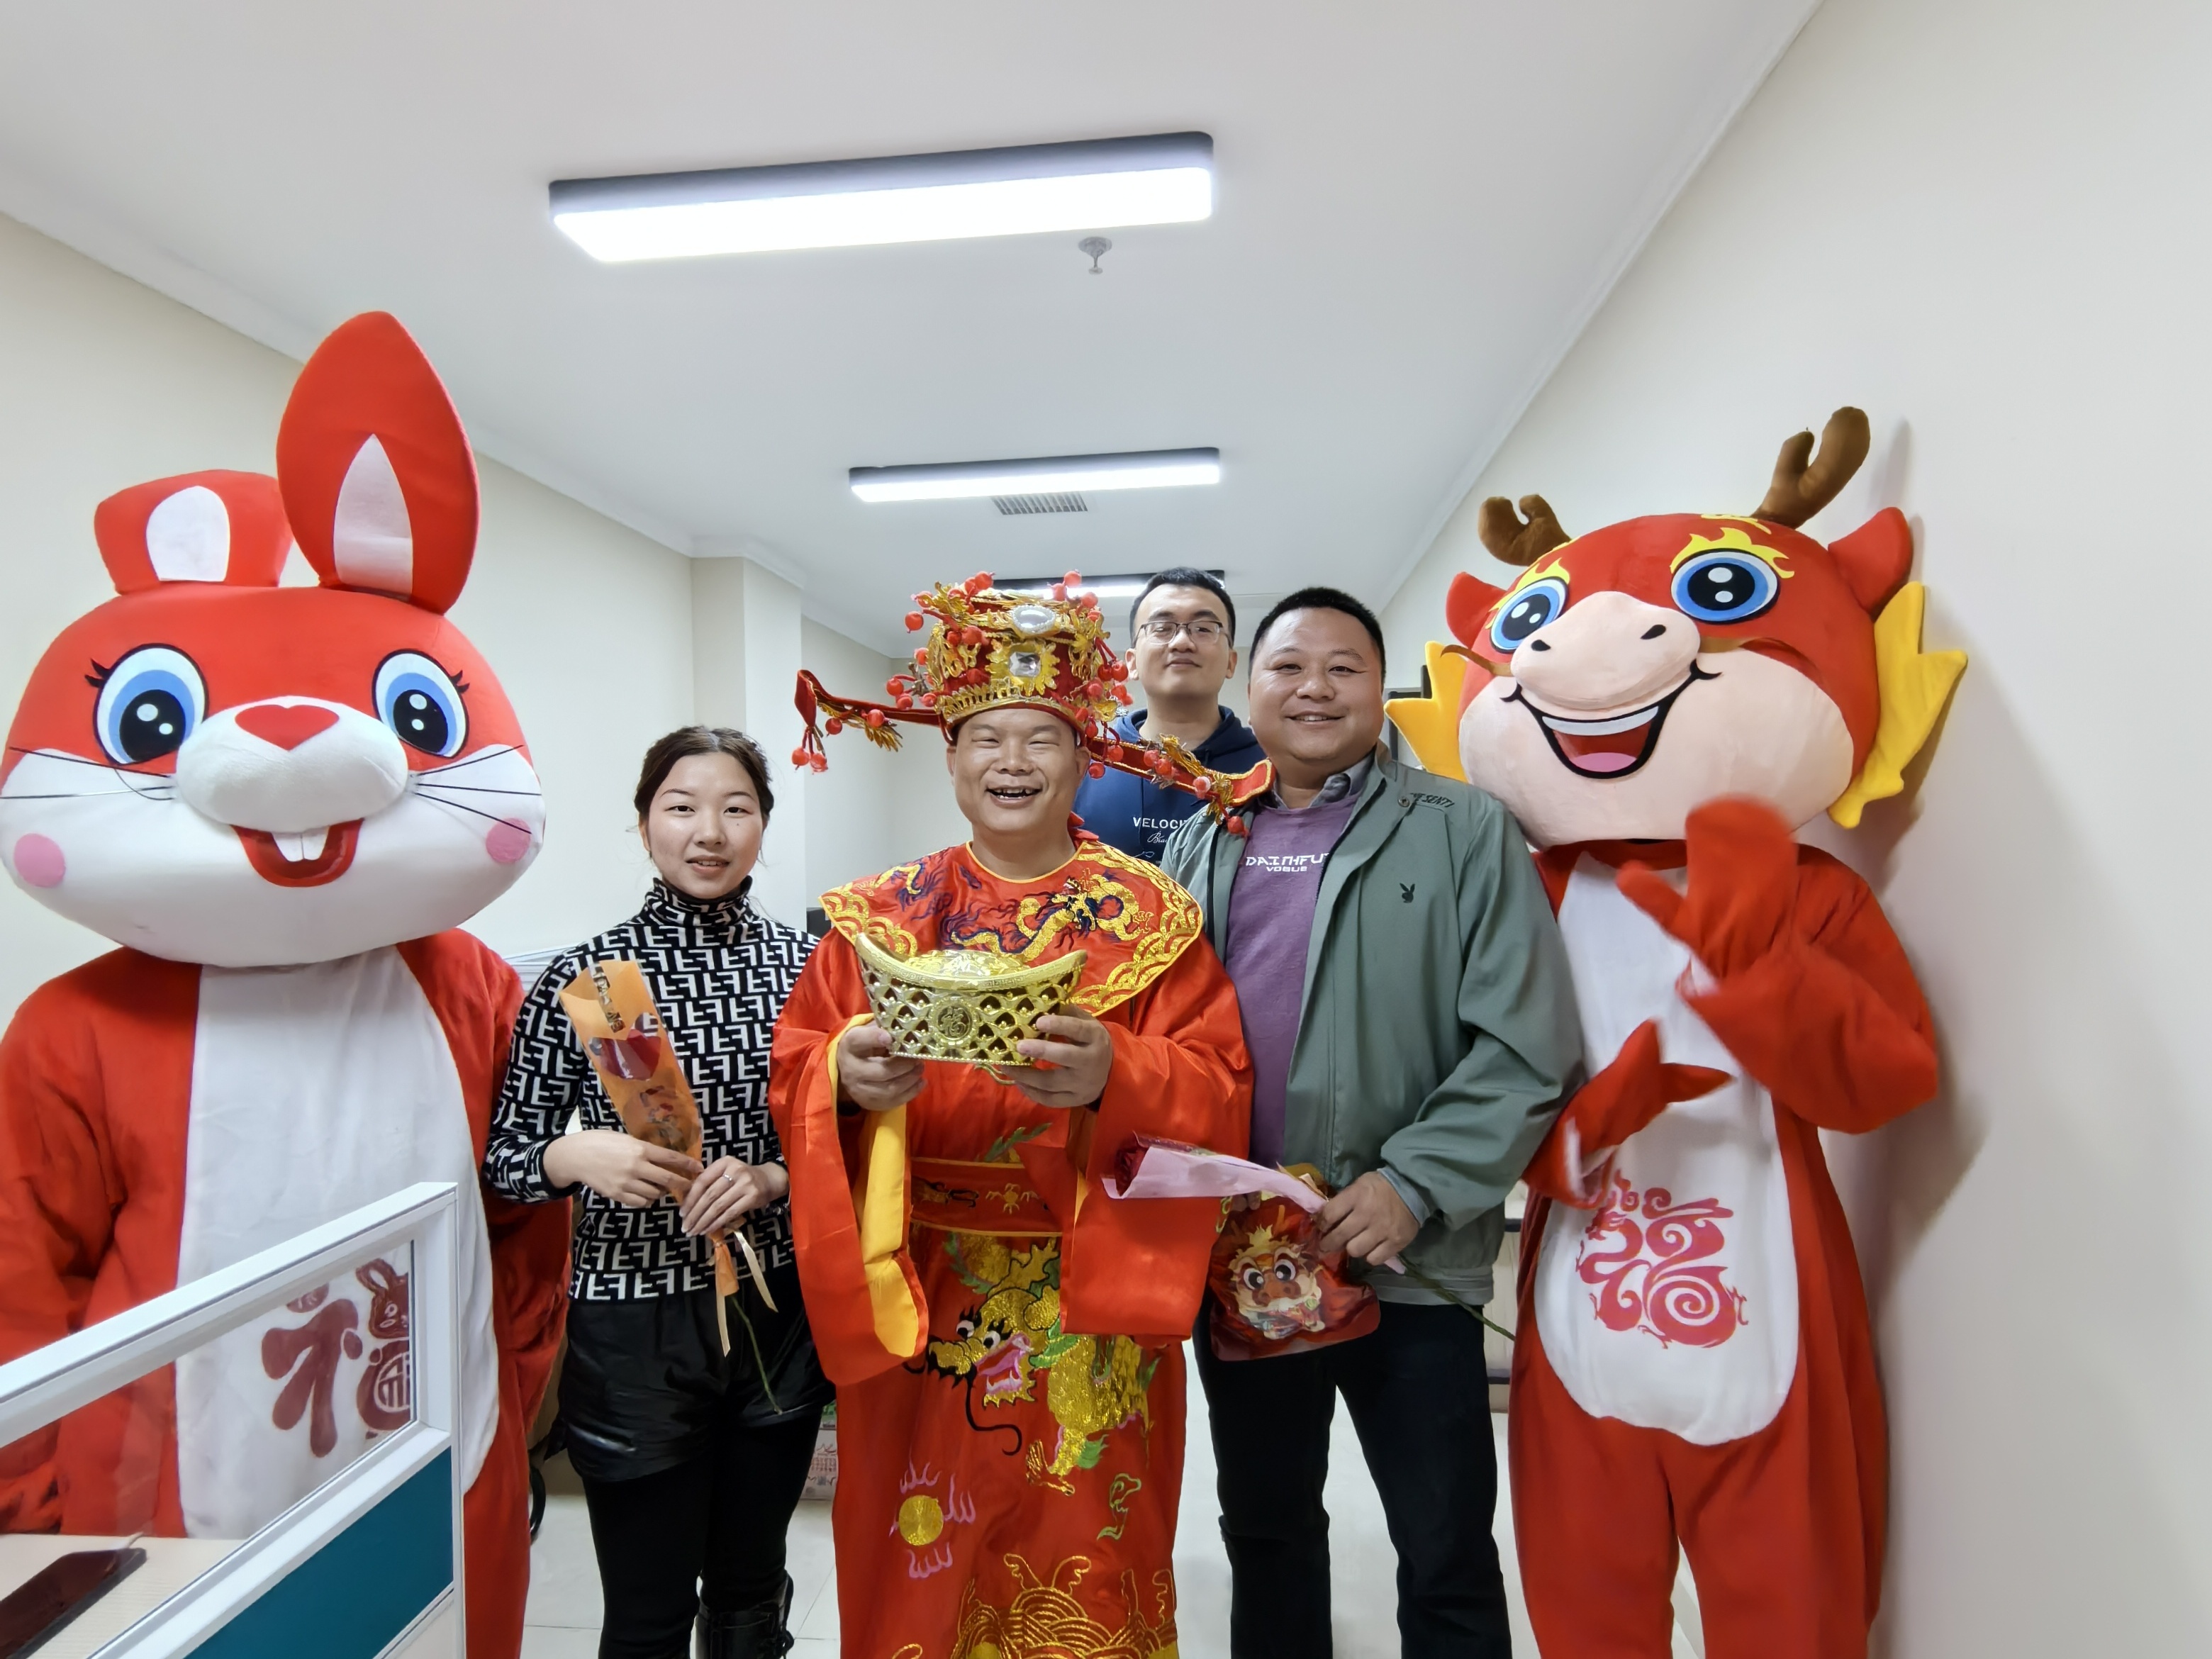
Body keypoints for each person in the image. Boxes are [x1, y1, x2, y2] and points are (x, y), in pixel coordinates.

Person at [774, 576, 1253, 1658]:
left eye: (1041, 738)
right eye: (987, 737)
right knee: (919, 1550)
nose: (1013, 761)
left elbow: (1221, 1085)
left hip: (1088, 1287)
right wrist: (844, 1075)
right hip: (919, 1283)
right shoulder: (880, 915)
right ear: (949, 758)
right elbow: (798, 1056)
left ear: (1085, 758)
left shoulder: (1151, 918)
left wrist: (1119, 1073)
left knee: (1085, 1557)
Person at [1161, 586, 1584, 1659]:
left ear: (1380, 686)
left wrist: (1413, 1182)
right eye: (1289, 666)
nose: (1314, 688)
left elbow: (1528, 1039)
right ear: (1249, 687)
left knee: (1444, 1547)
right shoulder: (1202, 840)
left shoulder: (1464, 828)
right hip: (1249, 1261)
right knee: (1266, 1531)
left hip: (1407, 1254)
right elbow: (1165, 1044)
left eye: (1343, 668)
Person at [484, 727, 828, 1659]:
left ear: (763, 825)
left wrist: (771, 1177)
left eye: (736, 808)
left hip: (775, 1312)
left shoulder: (812, 973)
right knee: (647, 1615)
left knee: (751, 1594)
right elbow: (506, 1159)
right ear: (645, 826)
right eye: (682, 808)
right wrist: (573, 1156)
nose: (708, 832)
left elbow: (859, 1144)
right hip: (632, 1327)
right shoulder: (591, 980)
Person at [1072, 566, 1266, 861]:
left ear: (1231, 662)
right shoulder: (1089, 761)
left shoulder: (1267, 767)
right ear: (1131, 663)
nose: (1182, 642)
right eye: (1162, 628)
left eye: (1204, 629)